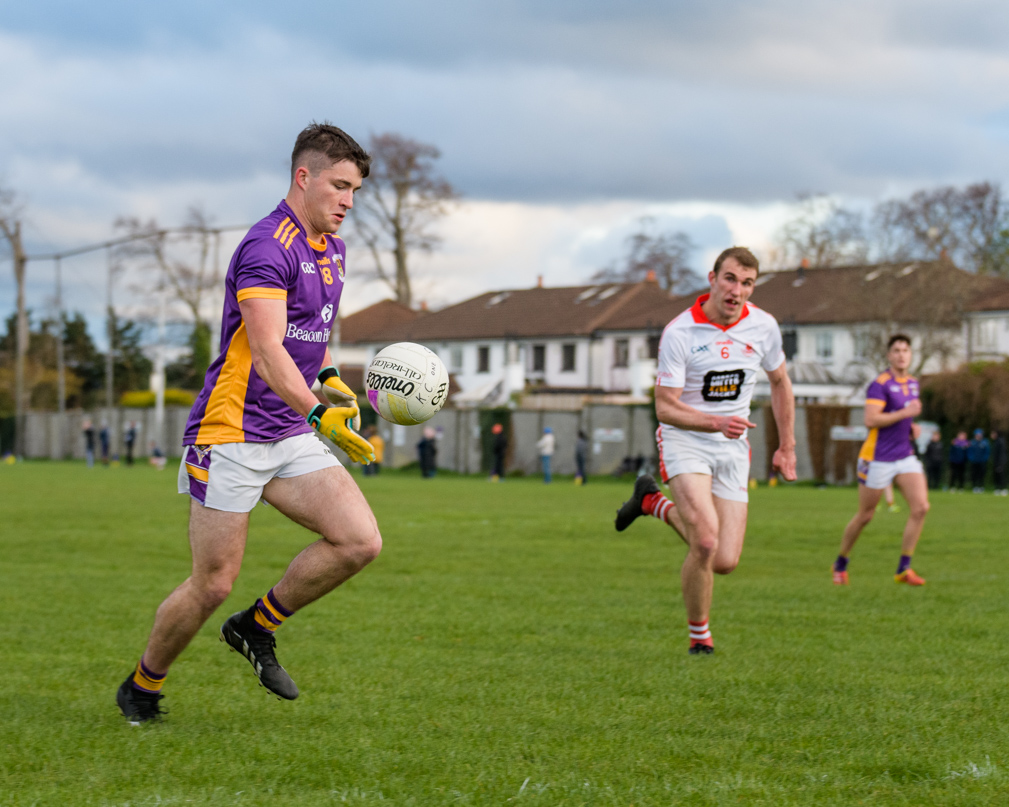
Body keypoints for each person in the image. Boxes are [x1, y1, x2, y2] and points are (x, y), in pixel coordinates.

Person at [116, 123, 380, 725]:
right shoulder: (268, 246)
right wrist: (318, 412)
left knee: (360, 541)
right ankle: (142, 686)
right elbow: (266, 350)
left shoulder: (333, 250)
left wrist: (332, 377)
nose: (347, 200)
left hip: (285, 432)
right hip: (229, 433)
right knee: (212, 582)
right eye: (339, 186)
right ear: (302, 176)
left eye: (355, 191)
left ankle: (254, 628)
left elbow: (309, 334)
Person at [613, 247, 796, 655]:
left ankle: (651, 502)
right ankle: (700, 639)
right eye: (730, 279)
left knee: (725, 560)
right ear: (712, 279)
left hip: (732, 446)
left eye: (747, 283)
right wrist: (714, 422)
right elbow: (665, 406)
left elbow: (781, 383)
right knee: (707, 542)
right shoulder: (681, 332)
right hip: (685, 439)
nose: (737, 290)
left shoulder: (764, 327)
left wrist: (787, 446)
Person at [834, 335, 930, 587]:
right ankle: (841, 562)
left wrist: (912, 427)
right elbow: (871, 420)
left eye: (905, 350)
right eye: (896, 350)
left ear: (911, 355)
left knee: (921, 507)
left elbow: (901, 420)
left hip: (904, 455)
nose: (901, 355)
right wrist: (905, 413)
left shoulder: (913, 383)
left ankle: (903, 569)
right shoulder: (880, 384)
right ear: (889, 355)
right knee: (865, 515)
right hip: (876, 458)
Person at [968, 428, 990, 493]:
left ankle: (981, 487)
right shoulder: (972, 442)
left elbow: (987, 452)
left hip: (982, 462)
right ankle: (975, 487)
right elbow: (969, 452)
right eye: (977, 434)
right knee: (974, 474)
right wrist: (971, 458)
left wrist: (985, 459)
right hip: (974, 461)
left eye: (979, 434)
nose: (978, 436)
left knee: (982, 475)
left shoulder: (985, 442)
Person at [991, 430, 1007, 496]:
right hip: (997, 462)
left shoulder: (1000, 442)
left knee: (1001, 476)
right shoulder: (997, 441)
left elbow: (1001, 454)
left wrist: (1000, 463)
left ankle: (1003, 489)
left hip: (1000, 462)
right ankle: (998, 488)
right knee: (997, 476)